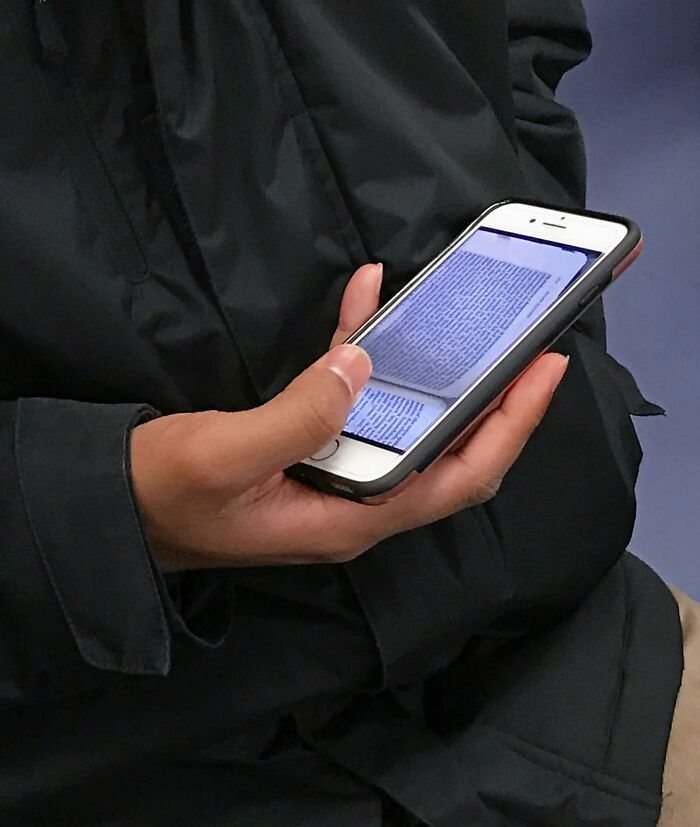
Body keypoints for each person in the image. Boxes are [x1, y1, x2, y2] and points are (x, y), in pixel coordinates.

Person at [0, 1, 696, 824]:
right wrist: (112, 509)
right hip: (140, 753)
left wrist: (517, 183)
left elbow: (521, 29)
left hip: (585, 661)